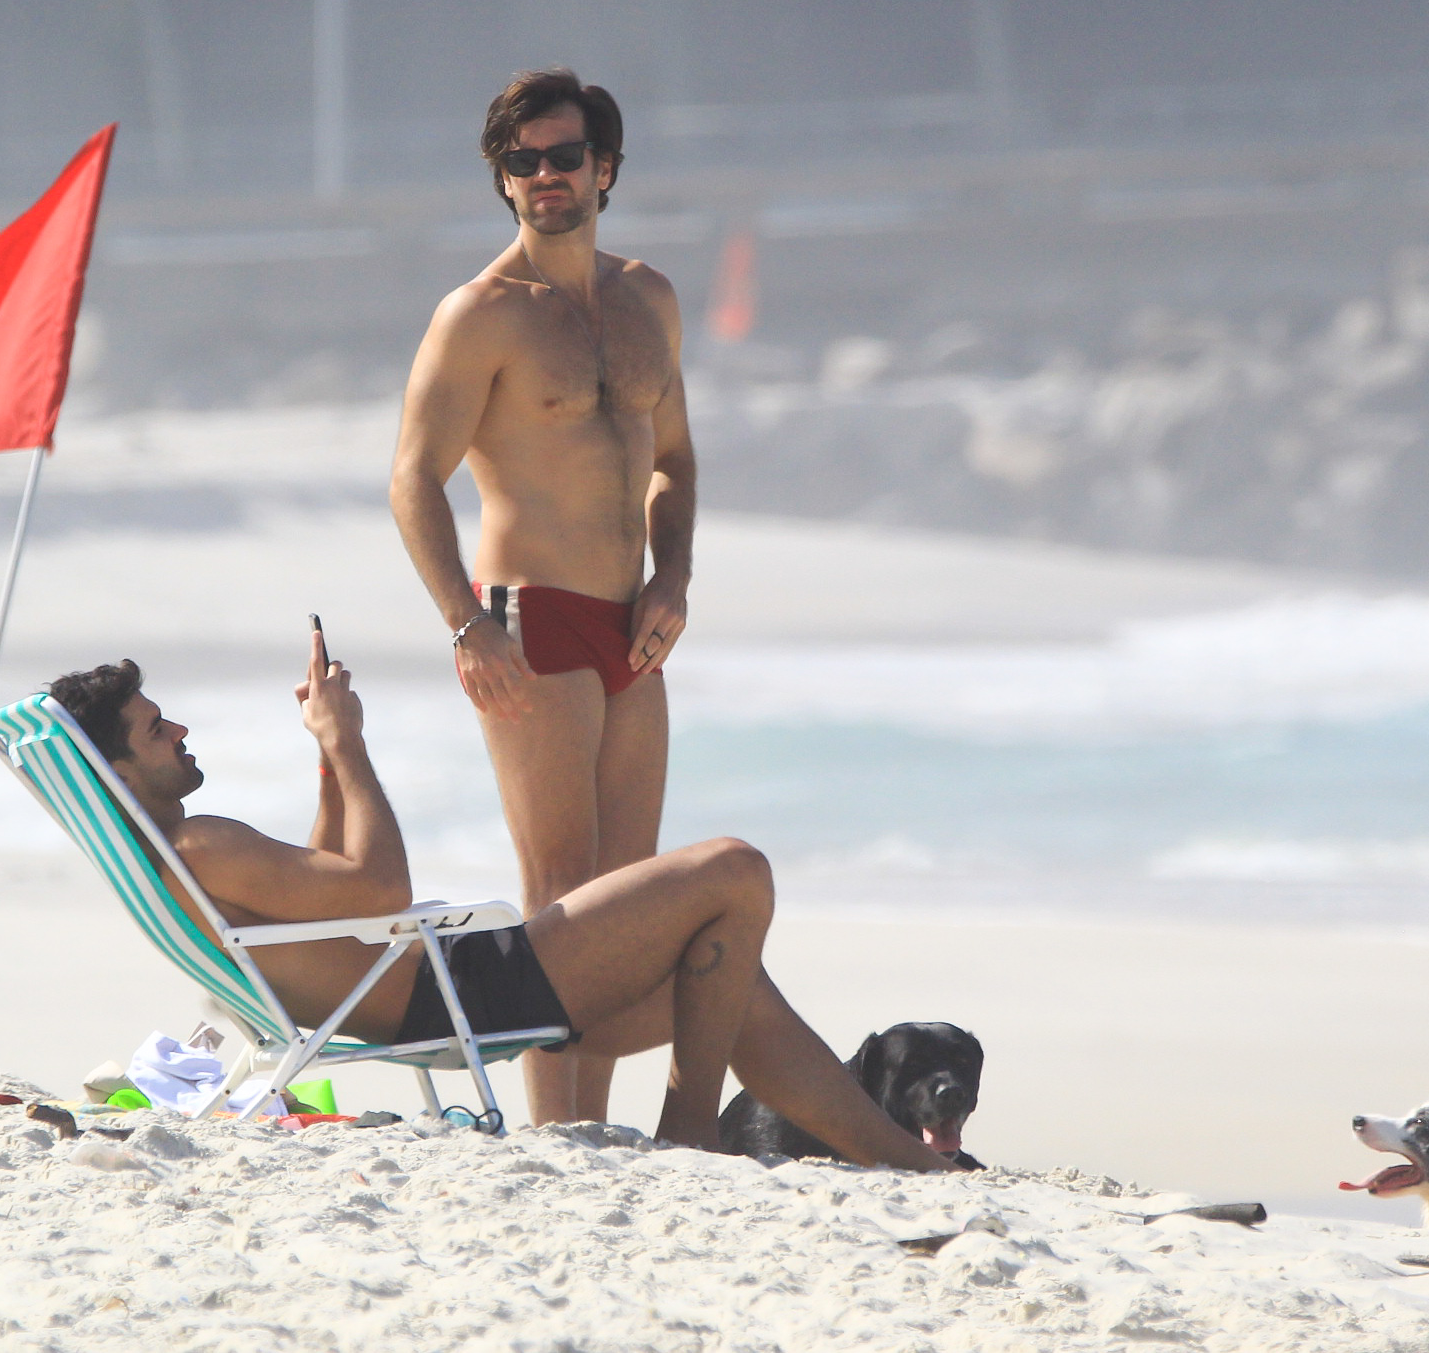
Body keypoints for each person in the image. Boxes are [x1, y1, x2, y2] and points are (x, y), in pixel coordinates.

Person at [46, 641, 955, 1173]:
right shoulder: (200, 842)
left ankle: (906, 1158)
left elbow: (328, 880)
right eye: (156, 729)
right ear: (119, 769)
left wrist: (326, 755)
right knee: (733, 870)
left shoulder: (184, 859)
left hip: (431, 986)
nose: (179, 731)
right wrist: (352, 741)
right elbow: (378, 889)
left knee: (731, 978)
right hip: (456, 989)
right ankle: (692, 1132)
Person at [390, 68, 696, 1127]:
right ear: (503, 180)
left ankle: (588, 1122)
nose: (544, 177)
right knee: (561, 885)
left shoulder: (648, 299)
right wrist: (465, 625)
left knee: (628, 891)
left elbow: (678, 461)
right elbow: (410, 479)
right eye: (522, 162)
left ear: (606, 168)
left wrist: (676, 574)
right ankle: (552, 1128)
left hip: (632, 624)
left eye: (564, 156)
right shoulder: (480, 316)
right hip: (532, 617)